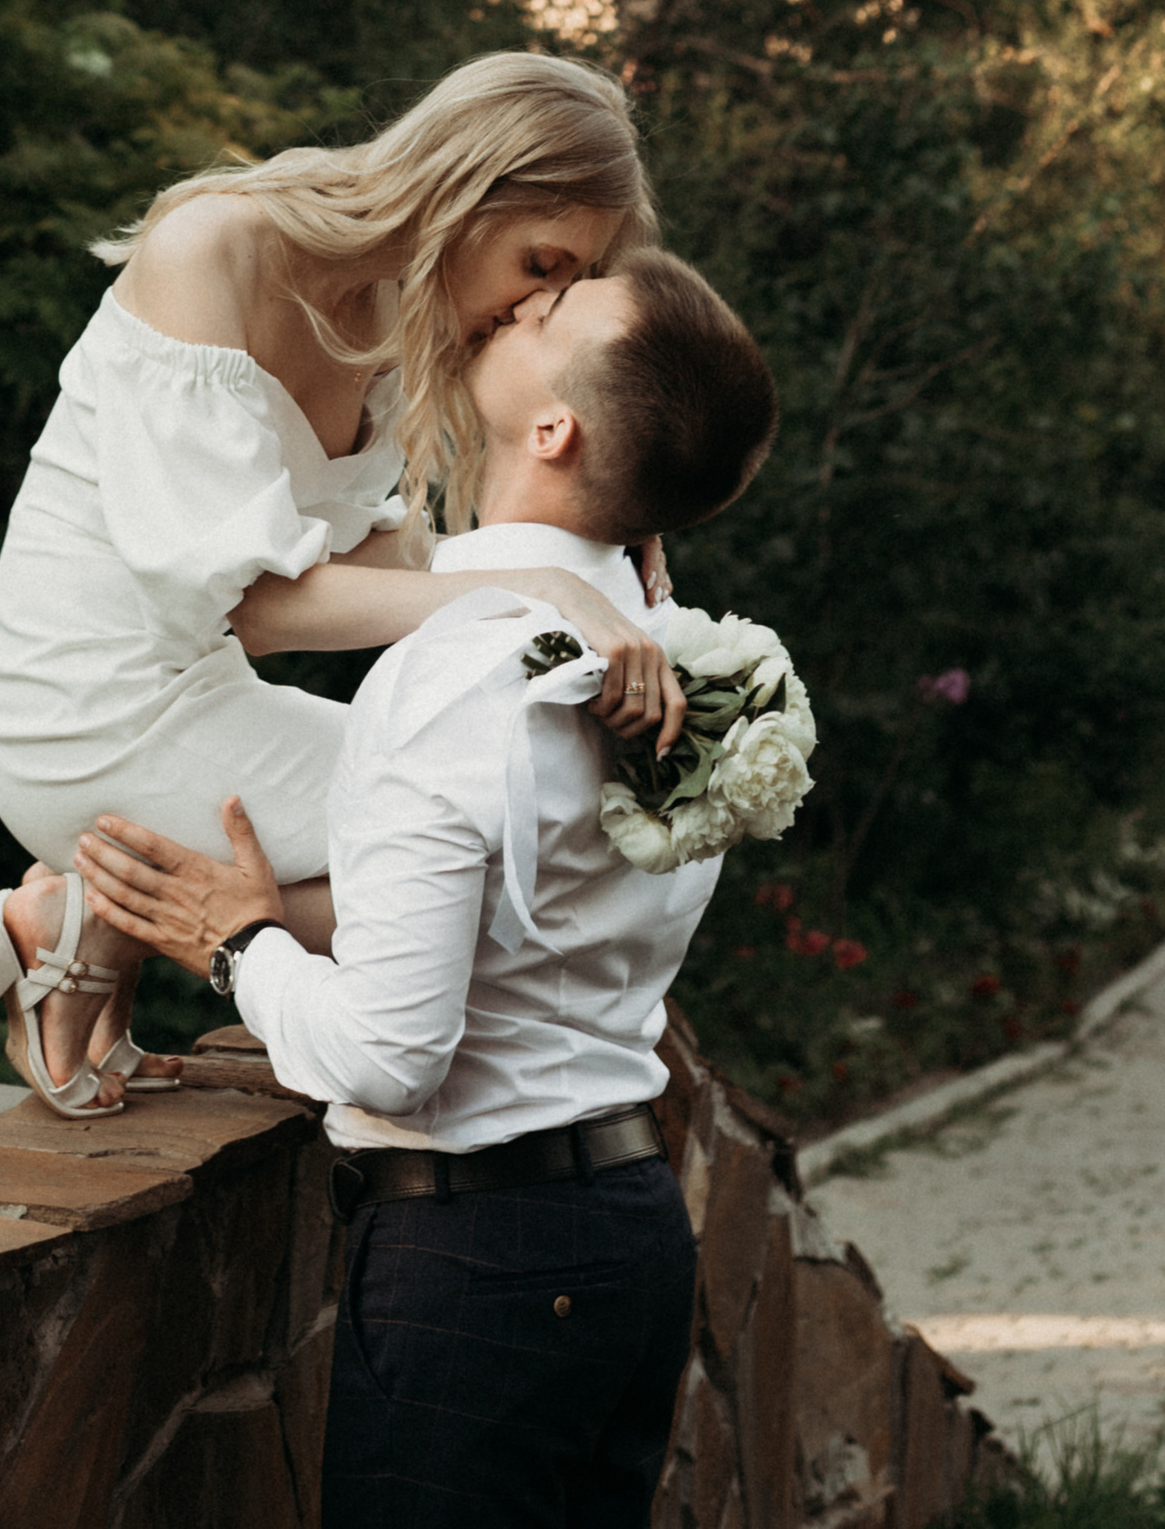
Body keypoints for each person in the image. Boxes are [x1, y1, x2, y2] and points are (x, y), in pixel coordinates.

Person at [79, 244, 779, 1529]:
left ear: (555, 425)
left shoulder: (458, 673)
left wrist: (239, 943)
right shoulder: (674, 648)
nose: (513, 301)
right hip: (627, 1233)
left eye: (550, 306)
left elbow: (393, 1053)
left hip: (486, 1266)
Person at [0, 53, 691, 1117]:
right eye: (537, 260)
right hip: (81, 710)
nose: (530, 307)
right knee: (492, 844)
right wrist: (541, 596)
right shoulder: (214, 248)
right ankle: (108, 915)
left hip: (200, 697)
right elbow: (262, 606)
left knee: (538, 820)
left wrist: (593, 551)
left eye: (560, 288)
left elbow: (376, 569)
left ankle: (94, 919)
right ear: (470, 188)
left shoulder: (401, 309)